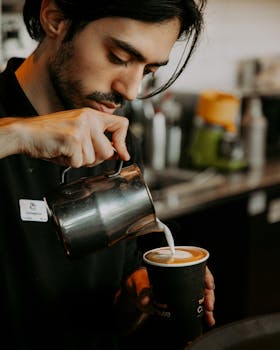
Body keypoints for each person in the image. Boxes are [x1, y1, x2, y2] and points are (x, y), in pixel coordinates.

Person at [0, 0, 215, 349]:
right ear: (55, 18)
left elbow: (110, 319)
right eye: (118, 57)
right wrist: (21, 134)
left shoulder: (118, 139)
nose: (130, 91)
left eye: (146, 71)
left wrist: (136, 298)